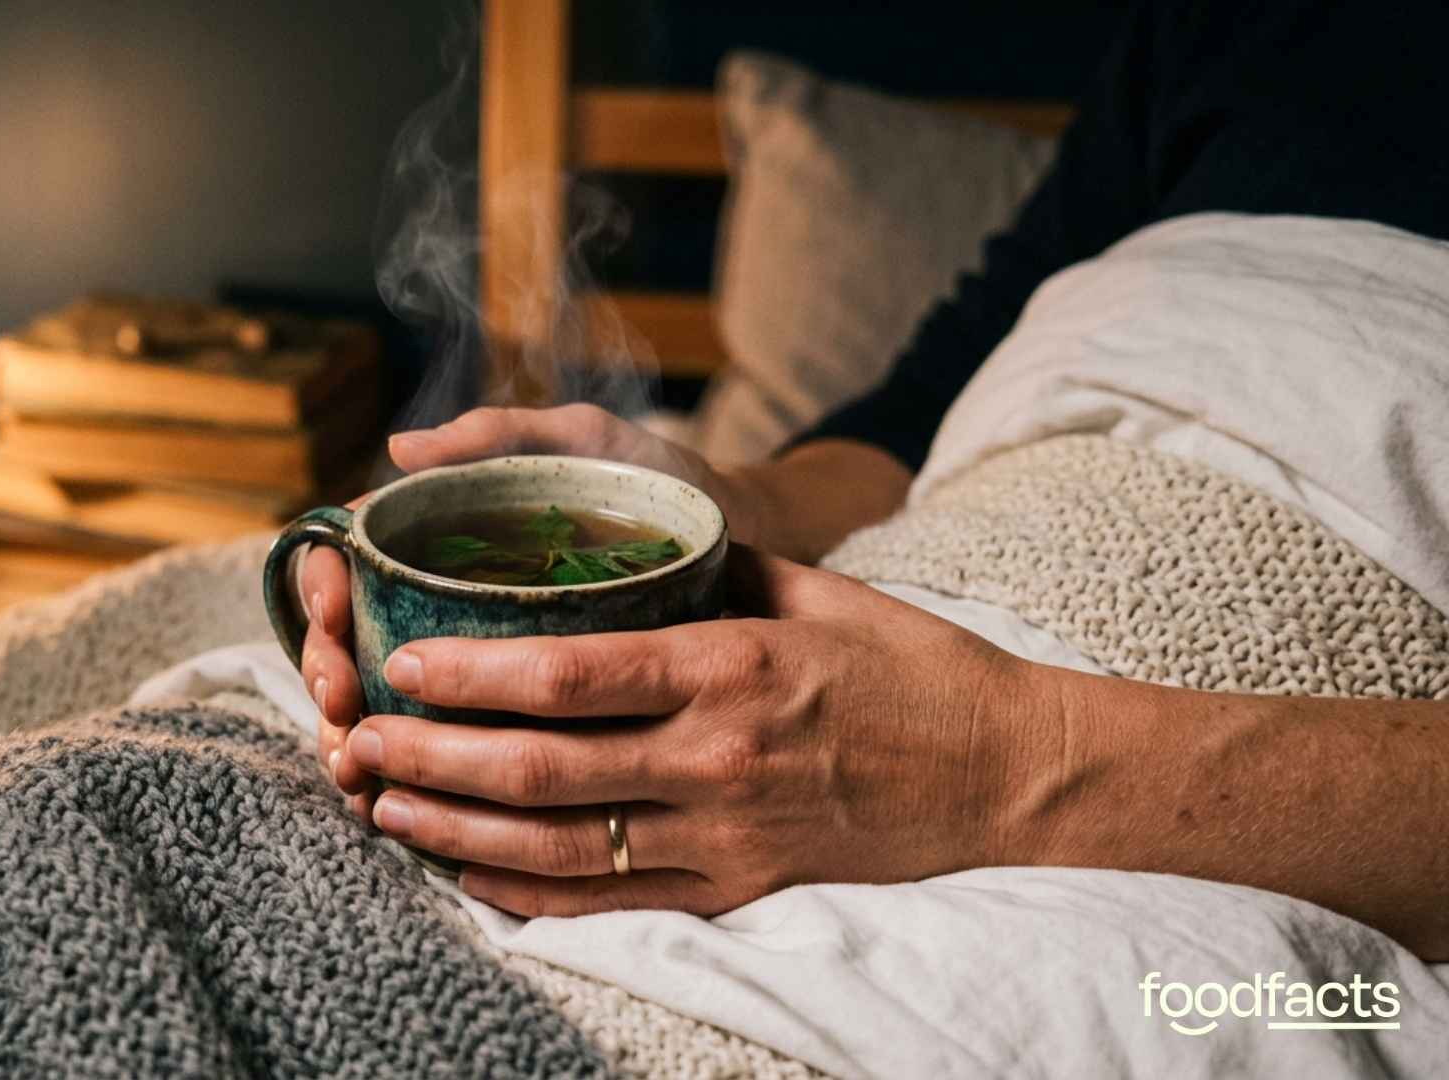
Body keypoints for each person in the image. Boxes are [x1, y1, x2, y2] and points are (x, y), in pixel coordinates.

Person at [299, 0, 1449, 960]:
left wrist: (1002, 764)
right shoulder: (1232, 22)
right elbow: (896, 437)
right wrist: (721, 508)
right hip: (933, 561)